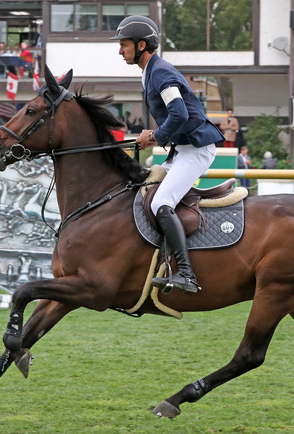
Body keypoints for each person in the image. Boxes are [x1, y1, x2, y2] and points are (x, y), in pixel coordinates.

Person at [112, 15, 223, 294]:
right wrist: (155, 136)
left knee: (160, 203)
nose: (120, 51)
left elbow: (180, 113)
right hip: (182, 149)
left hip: (196, 149)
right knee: (146, 194)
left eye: (124, 45)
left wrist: (155, 136)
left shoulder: (160, 71)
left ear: (141, 45)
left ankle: (187, 273)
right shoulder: (149, 71)